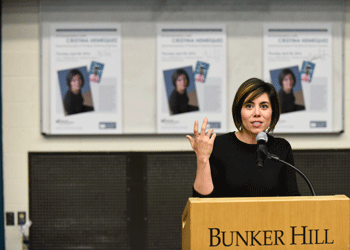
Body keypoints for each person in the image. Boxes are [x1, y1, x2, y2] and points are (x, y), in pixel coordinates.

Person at [186, 78, 300, 197]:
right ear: (239, 111)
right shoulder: (219, 145)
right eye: (249, 106)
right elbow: (202, 201)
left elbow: (292, 199)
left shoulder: (281, 148)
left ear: (273, 112)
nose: (257, 113)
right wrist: (202, 159)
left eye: (264, 106)